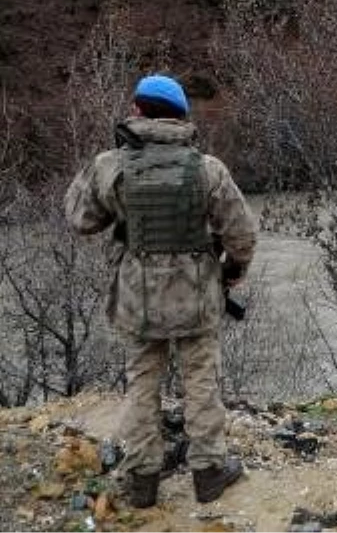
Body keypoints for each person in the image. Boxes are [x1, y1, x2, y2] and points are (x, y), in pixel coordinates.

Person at [64, 75, 257, 507]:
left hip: (138, 299)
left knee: (142, 385)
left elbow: (78, 219)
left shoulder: (109, 165)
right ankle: (208, 472)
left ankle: (141, 482)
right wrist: (232, 271)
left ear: (136, 110)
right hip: (197, 296)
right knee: (202, 381)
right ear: (182, 116)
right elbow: (242, 235)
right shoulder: (208, 169)